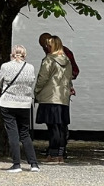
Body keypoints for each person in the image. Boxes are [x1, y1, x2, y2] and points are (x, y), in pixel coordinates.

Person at [0, 44, 39, 173]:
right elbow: (32, 81)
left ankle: (17, 164)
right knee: (25, 133)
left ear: (12, 54)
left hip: (8, 103)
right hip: (24, 104)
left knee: (13, 134)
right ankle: (34, 164)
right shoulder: (30, 67)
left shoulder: (6, 66)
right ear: (24, 55)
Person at [34, 35, 73, 163]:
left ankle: (53, 154)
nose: (46, 48)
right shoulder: (67, 60)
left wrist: (36, 91)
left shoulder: (49, 60)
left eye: (48, 45)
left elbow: (42, 78)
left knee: (52, 128)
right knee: (61, 127)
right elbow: (69, 78)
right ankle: (60, 154)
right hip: (62, 97)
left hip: (50, 97)